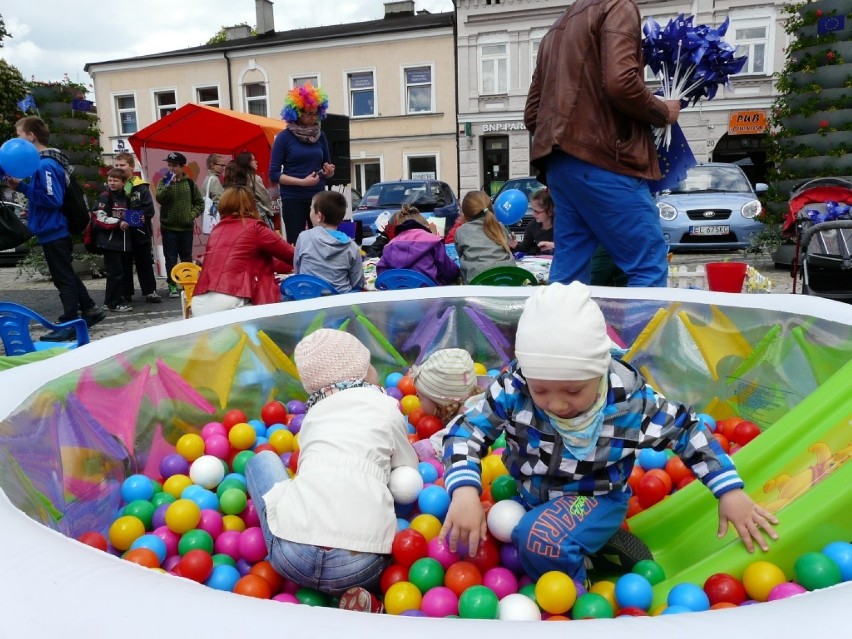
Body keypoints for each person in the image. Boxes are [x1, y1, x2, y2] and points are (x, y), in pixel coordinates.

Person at [439, 282, 778, 584]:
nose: (556, 404)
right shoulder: (514, 388)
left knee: (538, 539)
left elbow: (688, 432)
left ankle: (575, 593)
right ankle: (592, 547)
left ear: (599, 371)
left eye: (573, 392)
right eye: (541, 390)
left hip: (596, 497)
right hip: (530, 494)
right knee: (490, 537)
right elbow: (465, 430)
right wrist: (465, 490)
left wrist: (728, 490)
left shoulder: (629, 404)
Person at [244, 328, 419, 611]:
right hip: (359, 564)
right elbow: (408, 467)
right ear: (362, 374)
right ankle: (374, 599)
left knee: (260, 461)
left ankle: (283, 551)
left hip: (292, 557)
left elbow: (304, 474)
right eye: (370, 363)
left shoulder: (313, 416)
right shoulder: (387, 407)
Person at [524, 0, 681, 287]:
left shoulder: (555, 30)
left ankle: (557, 333)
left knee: (568, 278)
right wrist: (663, 111)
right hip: (604, 159)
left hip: (560, 164)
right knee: (647, 266)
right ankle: (638, 334)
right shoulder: (617, 6)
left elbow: (532, 113)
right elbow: (621, 82)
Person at [7, 116, 105, 340]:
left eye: (19, 134)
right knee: (66, 273)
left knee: (63, 278)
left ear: (31, 136)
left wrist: (23, 188)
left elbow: (52, 199)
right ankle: (89, 309)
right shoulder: (43, 164)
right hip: (51, 228)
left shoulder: (45, 165)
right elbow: (46, 199)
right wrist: (31, 205)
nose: (17, 140)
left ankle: (69, 323)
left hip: (54, 231)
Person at [191, 186, 294, 317]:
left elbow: (248, 259)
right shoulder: (255, 227)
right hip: (231, 298)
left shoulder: (216, 230)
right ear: (251, 204)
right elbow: (291, 255)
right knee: (274, 320)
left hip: (200, 300)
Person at [268, 83, 336, 244]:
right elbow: (274, 173)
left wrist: (329, 171)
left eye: (315, 114)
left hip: (318, 197)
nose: (313, 117)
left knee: (321, 240)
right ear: (296, 113)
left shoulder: (321, 136)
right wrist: (302, 182)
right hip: (293, 198)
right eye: (308, 114)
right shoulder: (284, 138)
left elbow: (328, 165)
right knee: (297, 242)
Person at [408, 348, 483, 462]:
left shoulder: (470, 413)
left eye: (421, 398)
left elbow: (457, 436)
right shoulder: (459, 397)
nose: (417, 401)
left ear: (440, 403)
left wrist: (424, 449)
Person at [113, 152, 161, 304]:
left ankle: (150, 291)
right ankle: (126, 293)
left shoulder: (141, 187)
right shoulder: (113, 186)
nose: (119, 168)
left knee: (144, 263)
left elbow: (148, 211)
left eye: (122, 165)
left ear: (131, 167)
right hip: (121, 233)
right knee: (124, 264)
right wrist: (119, 221)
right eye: (116, 165)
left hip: (140, 232)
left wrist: (126, 219)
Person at [294, 190, 364, 293]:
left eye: (311, 209)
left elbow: (297, 271)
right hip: (340, 303)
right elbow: (358, 282)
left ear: (319, 216)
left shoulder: (304, 237)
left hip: (308, 299)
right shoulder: (351, 246)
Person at [156, 151, 204, 298]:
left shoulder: (190, 183)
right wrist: (168, 185)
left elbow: (199, 203)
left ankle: (187, 283)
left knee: (186, 257)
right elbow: (160, 198)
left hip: (185, 227)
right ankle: (172, 285)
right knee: (170, 258)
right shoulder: (163, 181)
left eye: (175, 166)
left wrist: (191, 215)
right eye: (169, 165)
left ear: (182, 167)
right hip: (168, 226)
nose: (171, 169)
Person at [376, 204, 460, 285]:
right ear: (426, 226)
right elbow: (450, 272)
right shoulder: (433, 241)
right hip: (430, 294)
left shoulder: (390, 245)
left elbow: (381, 273)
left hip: (399, 294)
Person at [91, 168, 133, 312]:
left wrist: (137, 219)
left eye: (116, 180)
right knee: (114, 273)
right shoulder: (105, 196)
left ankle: (117, 299)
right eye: (110, 180)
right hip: (109, 242)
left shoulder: (126, 197)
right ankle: (111, 303)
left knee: (120, 272)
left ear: (123, 182)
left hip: (122, 243)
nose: (112, 183)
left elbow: (129, 217)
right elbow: (98, 217)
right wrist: (117, 223)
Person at [453, 190, 515, 283]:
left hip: (477, 285)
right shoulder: (500, 227)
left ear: (465, 213)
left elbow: (461, 258)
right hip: (508, 281)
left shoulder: (461, 232)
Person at [234, 151, 274, 228]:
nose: (256, 162)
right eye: (253, 160)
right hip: (258, 214)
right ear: (247, 162)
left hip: (243, 215)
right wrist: (269, 211)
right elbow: (265, 197)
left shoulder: (236, 180)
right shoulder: (255, 179)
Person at [512, 188, 554, 256]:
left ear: (550, 211)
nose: (533, 214)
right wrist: (514, 245)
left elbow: (571, 246)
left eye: (537, 211)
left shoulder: (561, 226)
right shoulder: (533, 225)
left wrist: (553, 246)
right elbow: (525, 247)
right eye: (532, 210)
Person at [200, 153, 226, 232]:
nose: (223, 168)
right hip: (216, 218)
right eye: (221, 165)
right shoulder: (214, 179)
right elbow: (218, 201)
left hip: (211, 217)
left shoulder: (207, 178)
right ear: (212, 165)